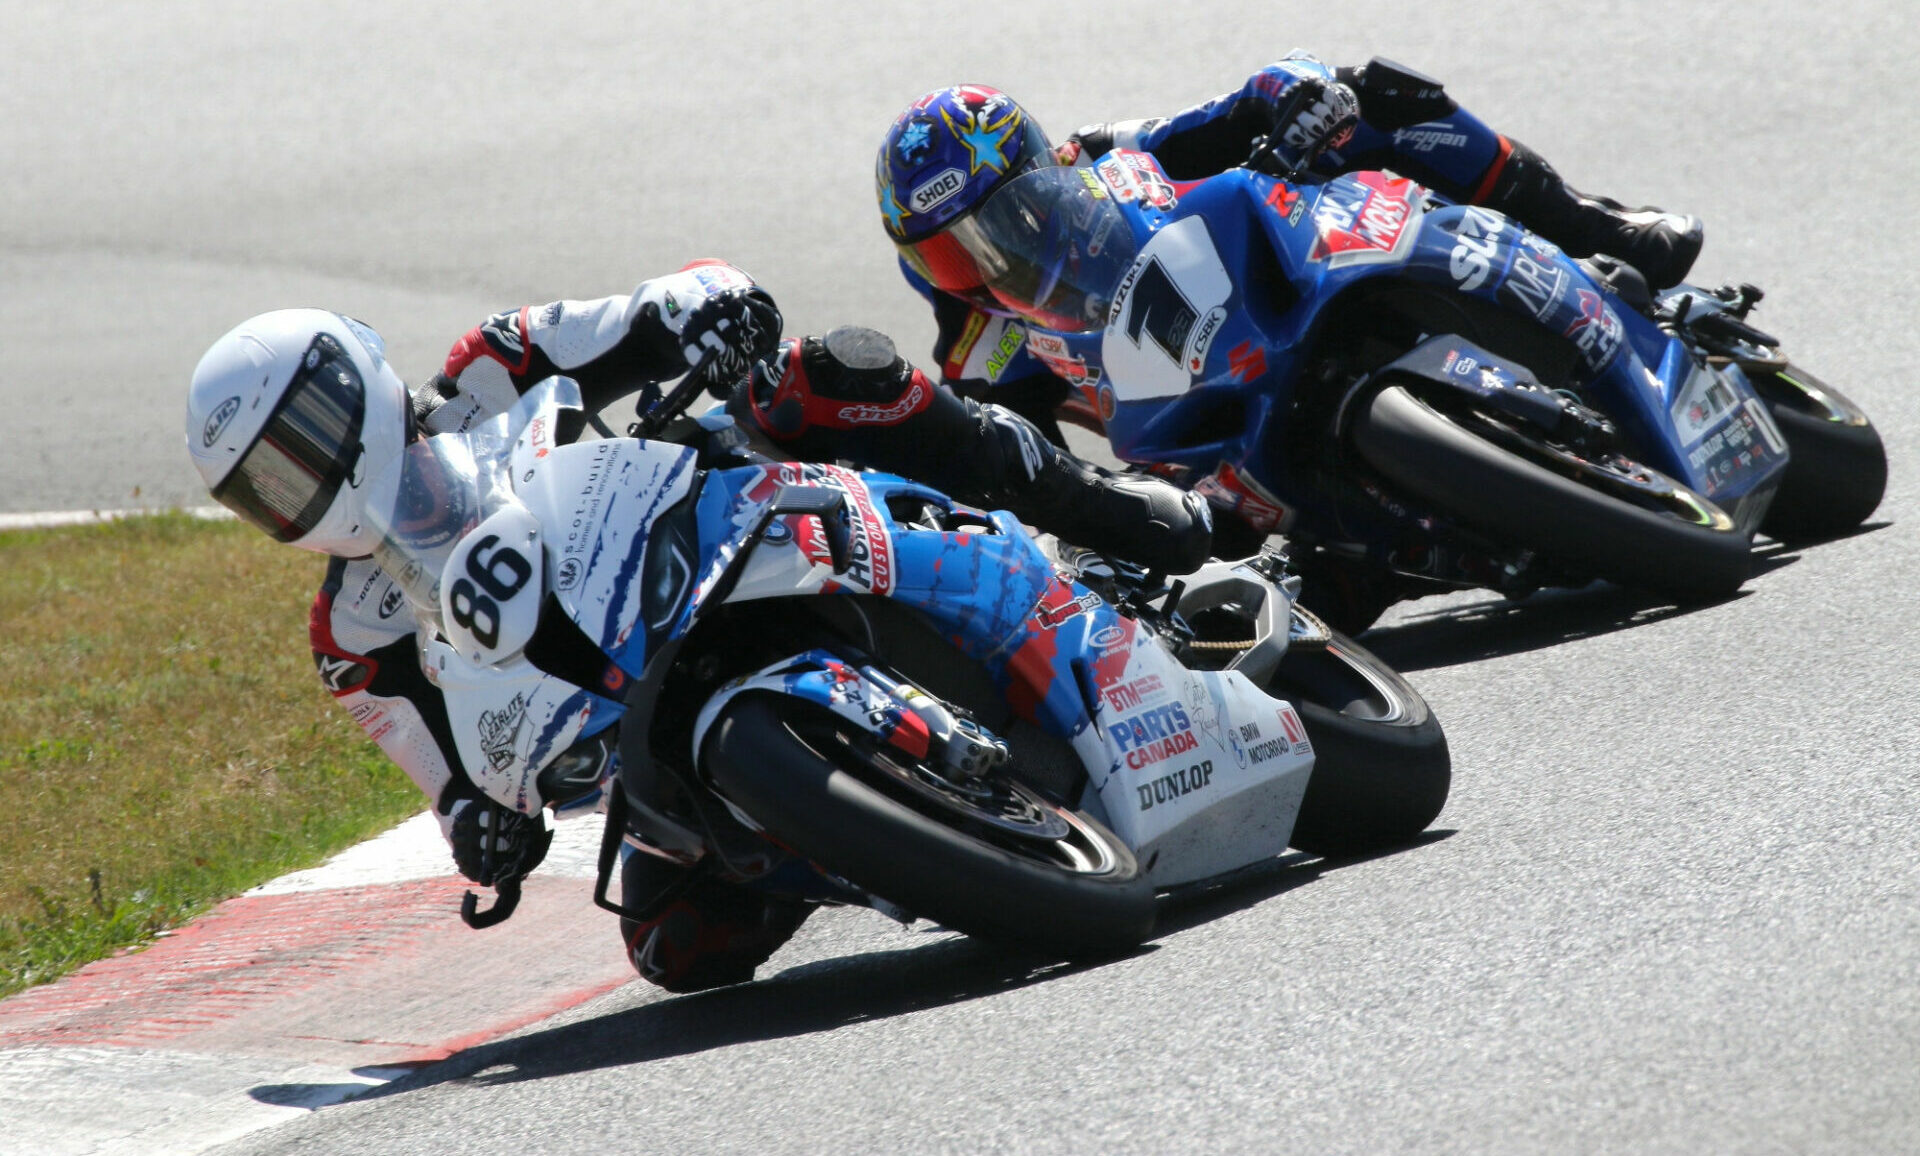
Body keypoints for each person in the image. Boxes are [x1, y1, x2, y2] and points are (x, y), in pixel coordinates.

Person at [183, 264, 1208, 992]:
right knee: (676, 949)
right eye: (266, 487)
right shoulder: (351, 636)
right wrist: (478, 829)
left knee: (822, 375)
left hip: (702, 525)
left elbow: (643, 311)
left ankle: (1101, 511)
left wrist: (710, 309)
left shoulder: (491, 365)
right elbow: (441, 778)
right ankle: (885, 828)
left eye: (298, 446)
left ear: (349, 383)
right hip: (628, 721)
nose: (299, 487)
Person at [873, 57, 1703, 446]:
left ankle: (1594, 230)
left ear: (1046, 168)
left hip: (1271, 293)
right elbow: (1016, 465)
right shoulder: (977, 344)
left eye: (1003, 217)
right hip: (1211, 452)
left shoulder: (1110, 159)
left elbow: (1245, 102)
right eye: (952, 254)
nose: (988, 258)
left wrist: (1297, 96)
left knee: (1376, 93)